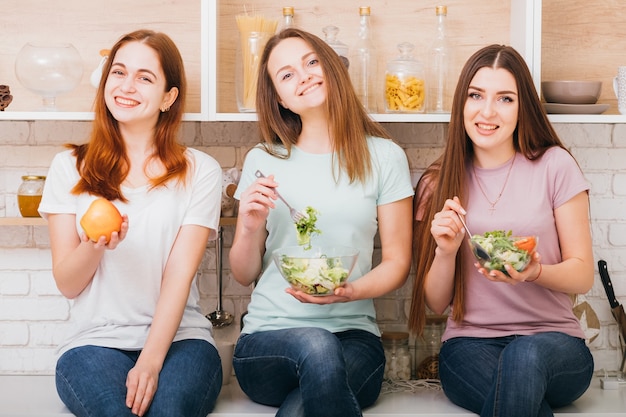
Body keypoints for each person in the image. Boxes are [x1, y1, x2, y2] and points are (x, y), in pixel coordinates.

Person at [229, 28, 414, 417]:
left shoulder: (384, 157)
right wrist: (248, 225)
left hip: (355, 339)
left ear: (331, 67)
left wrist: (351, 291)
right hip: (268, 339)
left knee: (310, 393)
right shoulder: (263, 160)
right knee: (316, 345)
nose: (305, 75)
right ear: (278, 97)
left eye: (311, 62)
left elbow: (398, 262)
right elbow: (244, 274)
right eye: (287, 74)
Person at [38, 29, 223, 417]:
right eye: (118, 72)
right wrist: (95, 244)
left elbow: (178, 276)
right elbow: (68, 284)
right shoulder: (69, 167)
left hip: (181, 341)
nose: (126, 86)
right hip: (93, 344)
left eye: (145, 77)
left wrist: (151, 361)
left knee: (169, 411)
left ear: (168, 97)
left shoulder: (200, 171)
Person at [408, 44, 594, 417]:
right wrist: (445, 250)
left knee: (524, 357)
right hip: (469, 346)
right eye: (476, 95)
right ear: (462, 102)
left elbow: (583, 274)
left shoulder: (555, 166)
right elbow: (435, 302)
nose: (487, 111)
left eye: (505, 99)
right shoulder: (436, 182)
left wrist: (534, 272)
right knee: (519, 396)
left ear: (522, 106)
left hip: (555, 343)